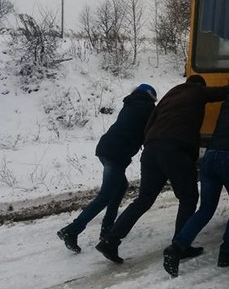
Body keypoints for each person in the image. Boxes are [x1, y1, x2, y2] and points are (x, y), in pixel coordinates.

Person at [95, 66, 229, 263]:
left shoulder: (169, 96)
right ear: (199, 85)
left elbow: (149, 124)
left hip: (151, 150)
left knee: (144, 199)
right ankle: (179, 245)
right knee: (188, 198)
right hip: (175, 150)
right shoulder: (197, 91)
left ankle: (110, 240)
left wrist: (151, 143)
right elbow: (224, 93)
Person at [163, 74, 229, 277]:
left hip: (210, 157)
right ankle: (227, 252)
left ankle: (176, 248)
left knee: (205, 209)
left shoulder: (228, 104)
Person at [56, 84, 157, 253]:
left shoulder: (130, 104)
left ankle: (107, 228)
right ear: (150, 97)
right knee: (105, 195)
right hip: (117, 153)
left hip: (105, 148)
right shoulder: (147, 108)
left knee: (120, 187)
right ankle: (72, 230)